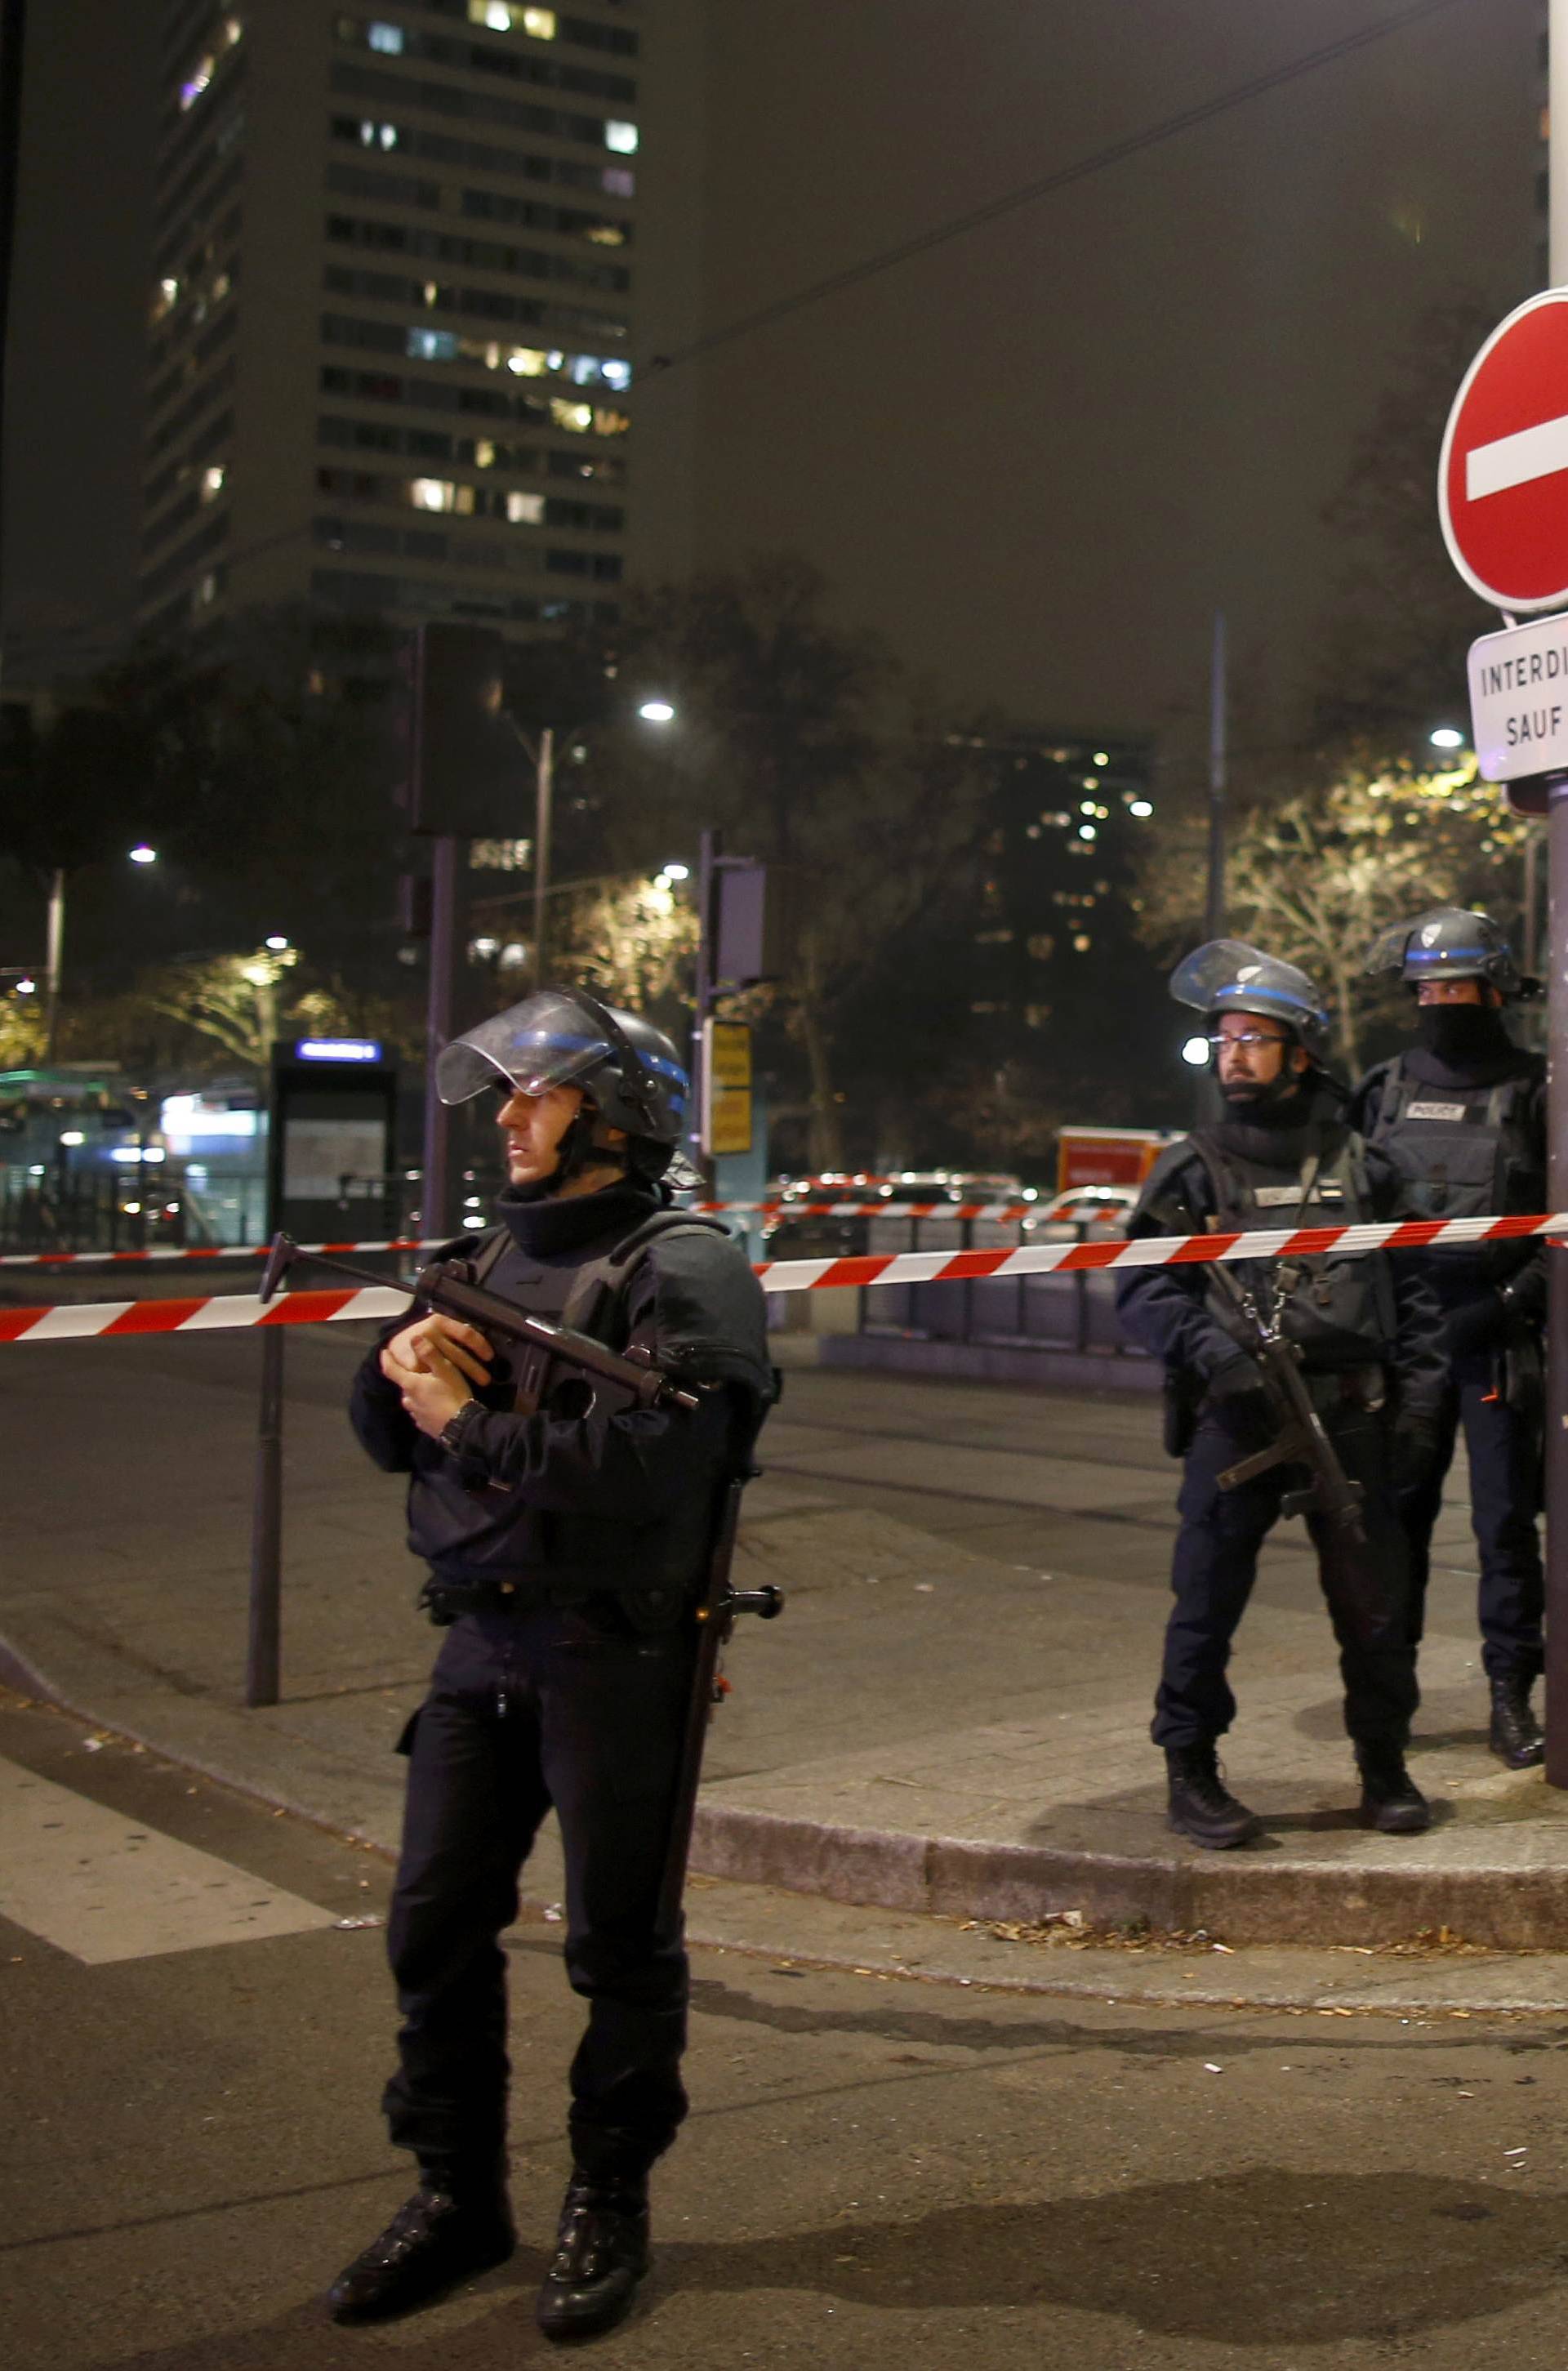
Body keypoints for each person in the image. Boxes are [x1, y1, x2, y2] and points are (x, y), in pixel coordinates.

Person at [326, 988, 774, 2339]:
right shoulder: (478, 1255)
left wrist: (463, 1418)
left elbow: (654, 1473)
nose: (508, 1117)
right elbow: (393, 1432)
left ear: (618, 1115)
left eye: (539, 1093)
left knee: (618, 1947)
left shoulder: (683, 1267)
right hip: (478, 1637)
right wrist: (394, 1366)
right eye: (509, 1095)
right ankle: (459, 2194)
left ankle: (609, 2198)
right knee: (431, 1923)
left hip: (614, 1652)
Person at [1116, 941, 1446, 1848]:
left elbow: (1415, 1295)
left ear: (1299, 1050)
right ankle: (1190, 1769)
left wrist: (1419, 1406)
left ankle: (1384, 1766)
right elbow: (1142, 1288)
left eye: (1254, 1038)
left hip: (1351, 1412)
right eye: (1223, 1040)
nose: (1233, 1056)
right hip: (1239, 1417)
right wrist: (1213, 1355)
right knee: (1207, 1599)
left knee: (1374, 1602)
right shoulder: (1193, 1169)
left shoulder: (1366, 1166)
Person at [1351, 908, 1547, 1767]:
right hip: (1406, 1343)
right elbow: (1348, 1218)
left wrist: (1506, 1302)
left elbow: (1561, 1234)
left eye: (1455, 987)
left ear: (1494, 990)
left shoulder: (1538, 1090)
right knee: (1396, 1524)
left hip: (1499, 1335)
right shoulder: (1383, 1086)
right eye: (1426, 988)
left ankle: (1512, 1693)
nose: (1439, 1002)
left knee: (1505, 1525)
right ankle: (1389, 1706)